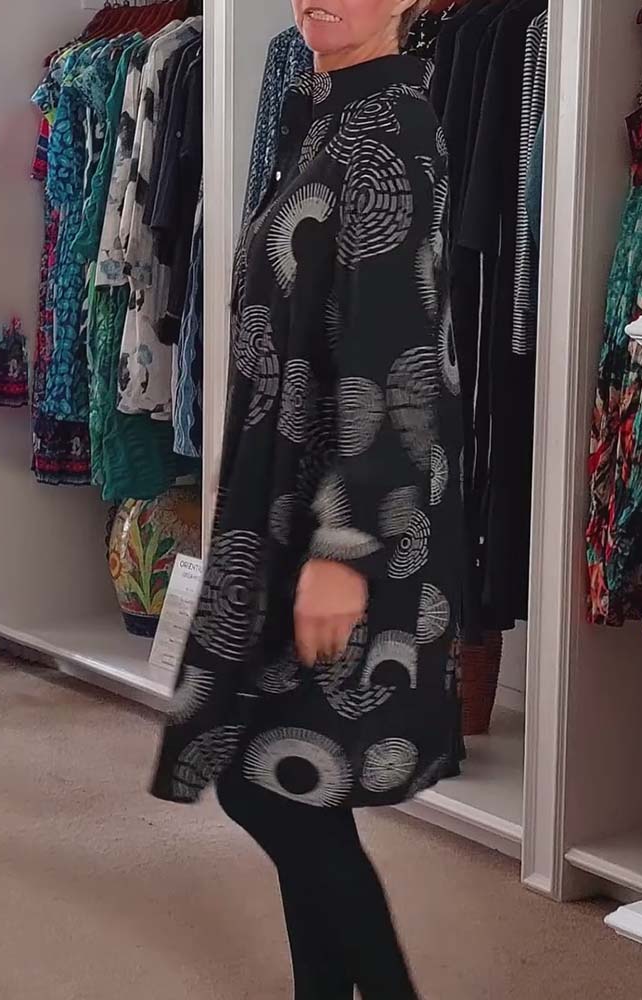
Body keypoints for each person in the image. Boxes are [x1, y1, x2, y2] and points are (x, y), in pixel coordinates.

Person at [152, 1, 464, 996]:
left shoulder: (388, 130)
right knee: (287, 784)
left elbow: (394, 356)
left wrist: (343, 548)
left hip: (341, 514)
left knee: (274, 784)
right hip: (285, 506)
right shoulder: (321, 109)